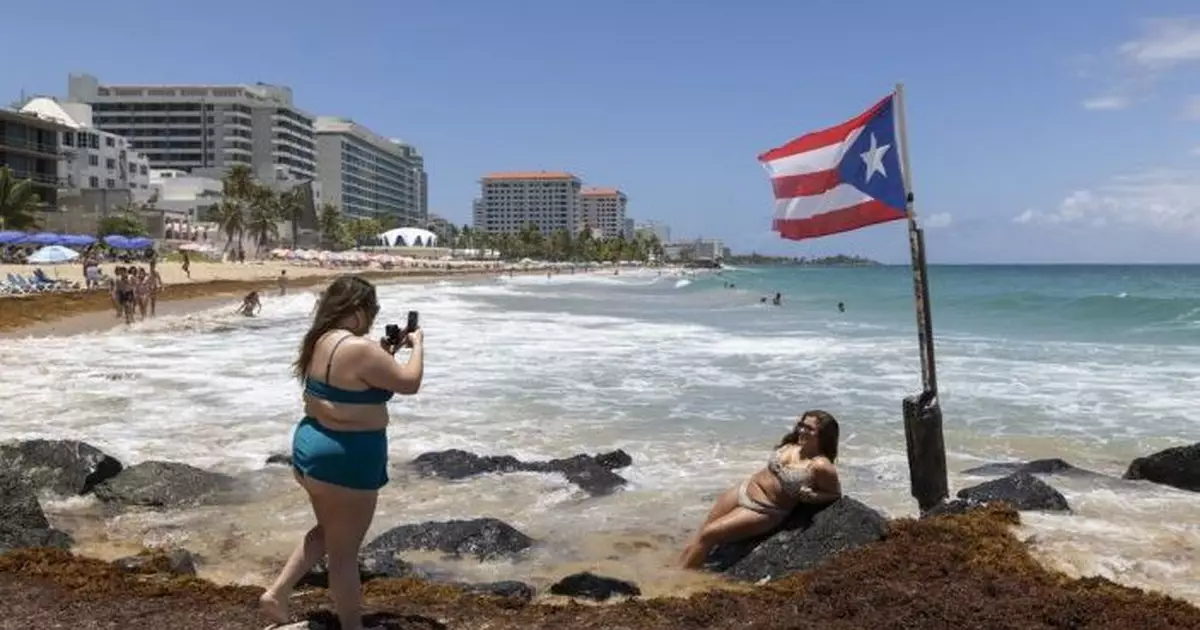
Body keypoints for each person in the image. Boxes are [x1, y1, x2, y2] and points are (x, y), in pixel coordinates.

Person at [260, 275, 424, 629]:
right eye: (372, 309)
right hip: (347, 460)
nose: (373, 317)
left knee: (329, 531)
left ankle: (277, 593)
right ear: (355, 310)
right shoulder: (359, 349)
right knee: (345, 555)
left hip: (311, 450)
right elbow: (409, 383)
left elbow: (357, 380)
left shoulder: (319, 341)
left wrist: (388, 353)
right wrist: (419, 344)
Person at [677, 411, 842, 569]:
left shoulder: (821, 465)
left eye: (809, 429)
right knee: (702, 532)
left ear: (823, 434)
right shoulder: (793, 444)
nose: (802, 430)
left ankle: (679, 578)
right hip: (743, 489)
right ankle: (678, 567)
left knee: (709, 534)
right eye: (802, 425)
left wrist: (812, 496)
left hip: (763, 509)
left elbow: (834, 494)